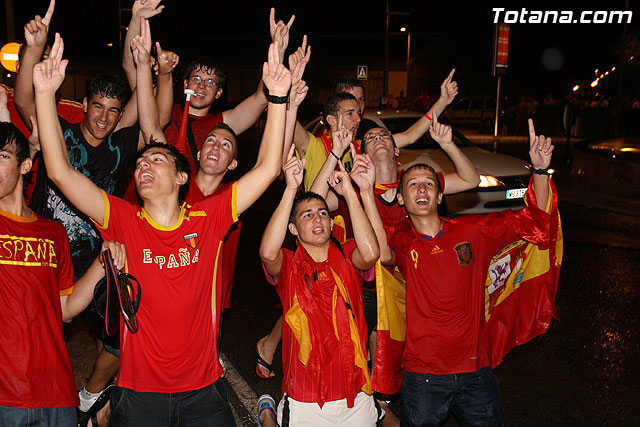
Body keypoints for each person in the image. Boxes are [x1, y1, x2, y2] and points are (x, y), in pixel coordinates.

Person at [34, 22, 291, 425]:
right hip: (139, 394)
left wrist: (276, 96)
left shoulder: (209, 218)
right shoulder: (121, 218)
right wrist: (45, 94)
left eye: (156, 159)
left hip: (203, 390)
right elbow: (61, 172)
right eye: (140, 162)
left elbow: (268, 167)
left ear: (181, 177)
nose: (144, 166)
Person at [370, 119, 556, 426]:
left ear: (440, 196)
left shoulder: (474, 231)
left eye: (429, 184)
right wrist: (365, 191)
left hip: (476, 373)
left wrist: (539, 170)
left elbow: (535, 221)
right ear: (401, 199)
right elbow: (378, 252)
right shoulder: (401, 241)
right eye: (413, 184)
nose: (422, 188)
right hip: (424, 376)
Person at [0, 116, 124, 426]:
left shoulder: (53, 232)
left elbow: (65, 308)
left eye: (1, 156)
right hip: (5, 396)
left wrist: (100, 264)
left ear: (25, 166)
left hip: (56, 391)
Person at [259, 144, 381, 425]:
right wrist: (291, 189)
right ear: (293, 229)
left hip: (357, 393)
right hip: (305, 400)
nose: (318, 218)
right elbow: (267, 252)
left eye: (323, 213)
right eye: (307, 215)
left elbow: (371, 253)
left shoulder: (347, 255)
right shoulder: (289, 265)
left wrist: (350, 192)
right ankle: (267, 415)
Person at [293, 70, 458, 191]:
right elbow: (287, 120)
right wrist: (286, 90)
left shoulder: (364, 147)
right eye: (351, 100)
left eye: (361, 100)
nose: (359, 107)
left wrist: (442, 102)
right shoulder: (313, 145)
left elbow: (410, 136)